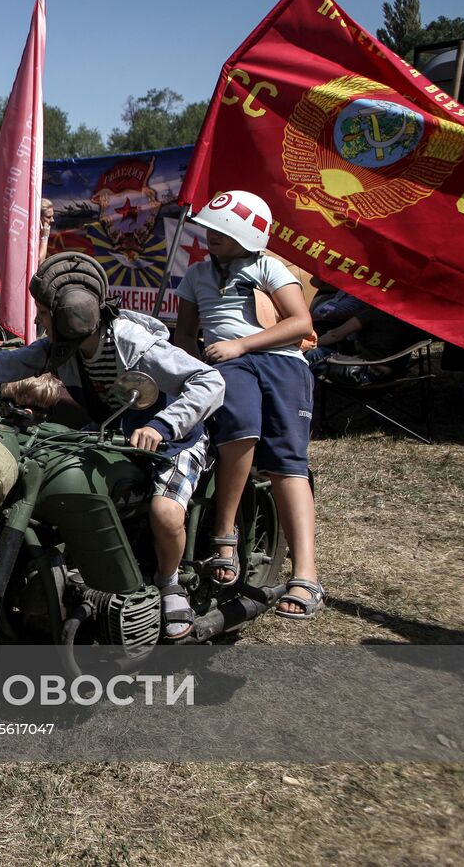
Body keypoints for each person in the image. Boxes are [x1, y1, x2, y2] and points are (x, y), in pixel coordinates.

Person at [0, 252, 225, 639]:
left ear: (70, 317)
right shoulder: (65, 346)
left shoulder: (134, 344)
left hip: (172, 442)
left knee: (165, 513)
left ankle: (169, 582)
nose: (37, 321)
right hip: (111, 436)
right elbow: (12, 363)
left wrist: (163, 425)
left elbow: (210, 381)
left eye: (44, 314)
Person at [174, 190, 323, 620]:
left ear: (247, 235)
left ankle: (307, 575)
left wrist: (241, 344)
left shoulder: (268, 266)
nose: (209, 235)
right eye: (209, 227)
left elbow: (301, 323)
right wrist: (182, 367)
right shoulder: (196, 274)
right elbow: (185, 333)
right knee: (239, 426)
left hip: (280, 363)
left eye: (220, 230)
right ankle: (224, 535)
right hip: (226, 362)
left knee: (288, 463)